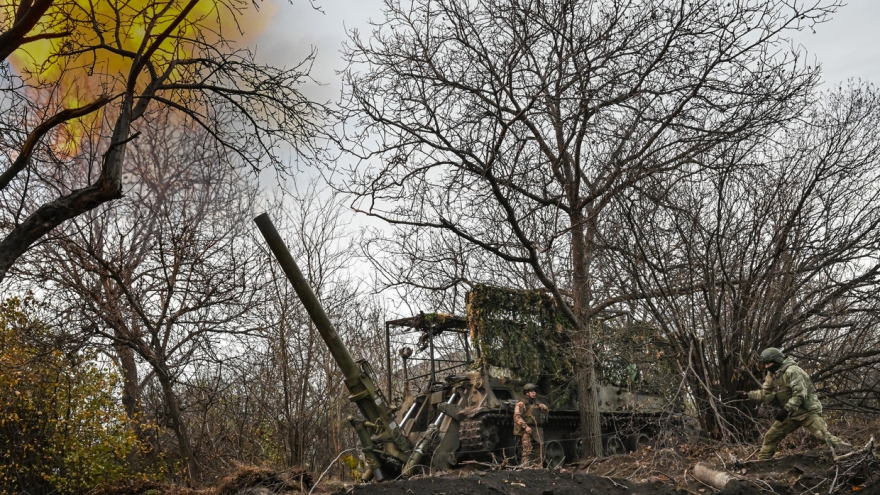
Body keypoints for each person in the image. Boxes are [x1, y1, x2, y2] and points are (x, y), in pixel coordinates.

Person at [738, 347, 850, 460]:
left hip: (807, 411)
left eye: (769, 364)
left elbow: (800, 394)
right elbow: (765, 393)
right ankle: (762, 463)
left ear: (777, 361)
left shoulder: (792, 371)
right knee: (771, 436)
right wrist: (747, 395)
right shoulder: (772, 374)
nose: (767, 367)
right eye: (765, 364)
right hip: (792, 413)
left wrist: (785, 410)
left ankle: (853, 452)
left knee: (822, 435)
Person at [513, 383, 549, 467]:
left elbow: (546, 413)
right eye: (531, 391)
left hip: (537, 429)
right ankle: (526, 469)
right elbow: (517, 416)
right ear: (527, 393)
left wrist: (544, 408)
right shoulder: (521, 403)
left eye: (534, 391)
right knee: (527, 452)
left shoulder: (537, 403)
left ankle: (539, 468)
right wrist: (525, 427)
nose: (534, 393)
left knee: (539, 451)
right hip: (527, 430)